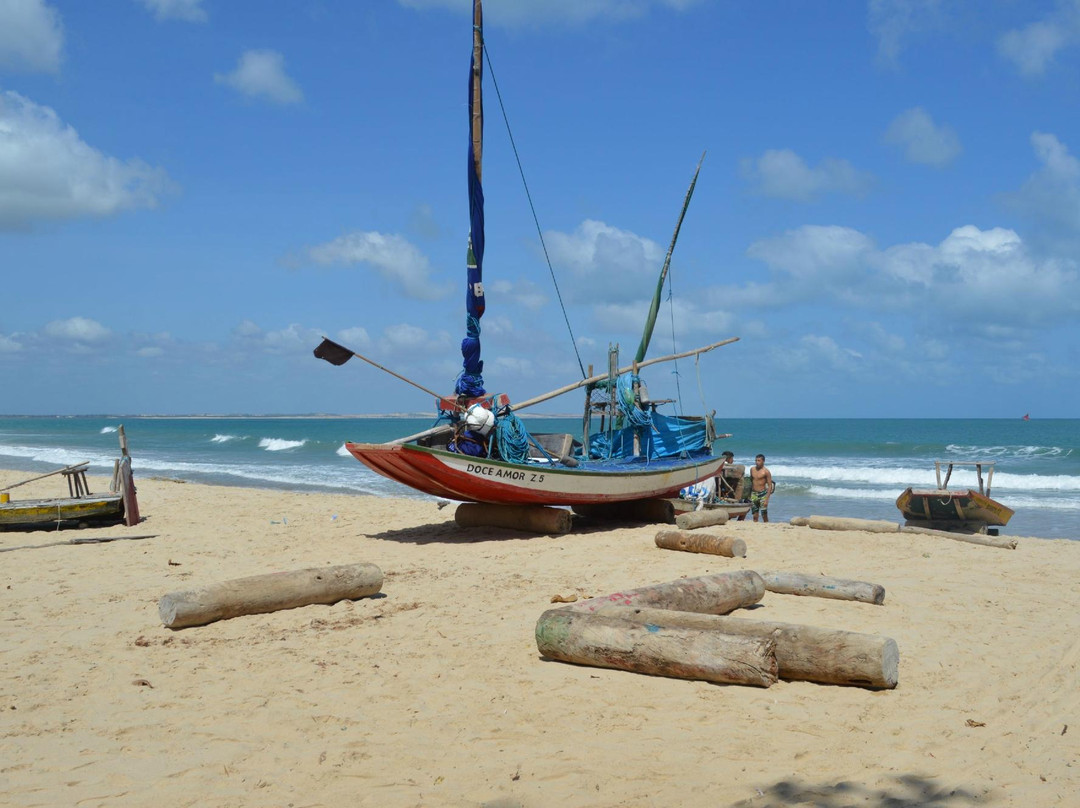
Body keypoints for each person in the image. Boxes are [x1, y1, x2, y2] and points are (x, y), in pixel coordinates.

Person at [749, 453, 775, 523]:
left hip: (763, 494)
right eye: (756, 460)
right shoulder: (752, 469)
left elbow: (770, 485)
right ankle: (755, 528)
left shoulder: (766, 472)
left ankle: (766, 526)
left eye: (759, 460)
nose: (757, 462)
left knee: (764, 514)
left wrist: (767, 499)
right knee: (754, 514)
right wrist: (749, 494)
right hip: (754, 494)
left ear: (763, 461)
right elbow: (751, 481)